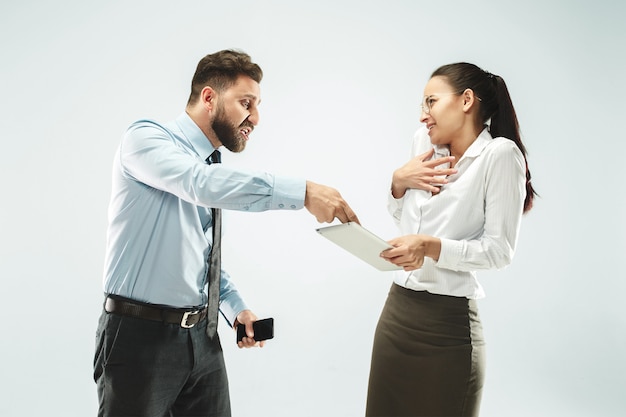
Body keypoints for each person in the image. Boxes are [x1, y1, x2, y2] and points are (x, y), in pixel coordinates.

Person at [93, 49, 359, 417]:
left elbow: (204, 255)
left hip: (202, 338)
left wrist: (235, 309)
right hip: (139, 336)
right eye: (246, 103)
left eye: (258, 105)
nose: (256, 117)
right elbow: (198, 183)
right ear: (209, 98)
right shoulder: (146, 140)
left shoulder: (211, 164)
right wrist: (302, 192)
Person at [365, 62, 537, 417]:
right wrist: (398, 184)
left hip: (448, 329)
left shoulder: (499, 156)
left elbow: (498, 252)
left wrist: (429, 247)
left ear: (466, 100)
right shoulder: (423, 143)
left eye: (431, 101)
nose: (423, 115)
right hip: (396, 315)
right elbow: (405, 219)